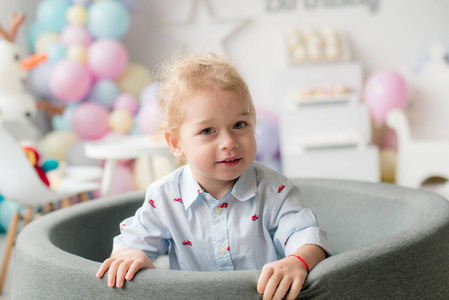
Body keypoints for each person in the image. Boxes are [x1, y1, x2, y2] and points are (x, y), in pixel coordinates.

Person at [96, 52, 332, 299]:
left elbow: (308, 236)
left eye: (239, 125)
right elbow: (131, 244)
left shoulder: (275, 191)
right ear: (176, 143)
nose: (229, 142)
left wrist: (298, 261)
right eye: (208, 130)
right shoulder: (164, 196)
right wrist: (132, 254)